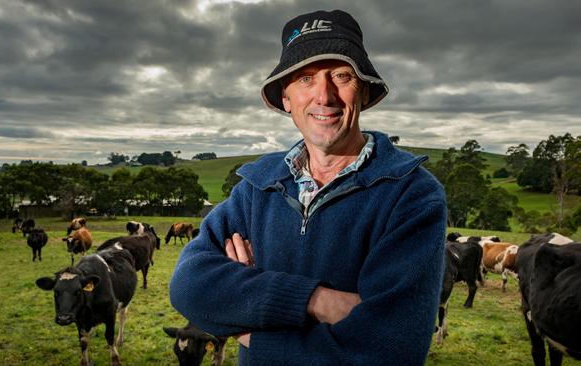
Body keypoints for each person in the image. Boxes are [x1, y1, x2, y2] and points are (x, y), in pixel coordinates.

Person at [170, 9, 446, 365]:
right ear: (286, 98)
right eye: (305, 79)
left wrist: (252, 325)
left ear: (362, 91)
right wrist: (319, 301)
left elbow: (392, 348)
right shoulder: (258, 186)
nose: (324, 95)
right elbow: (189, 286)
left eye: (342, 76)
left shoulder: (411, 194)